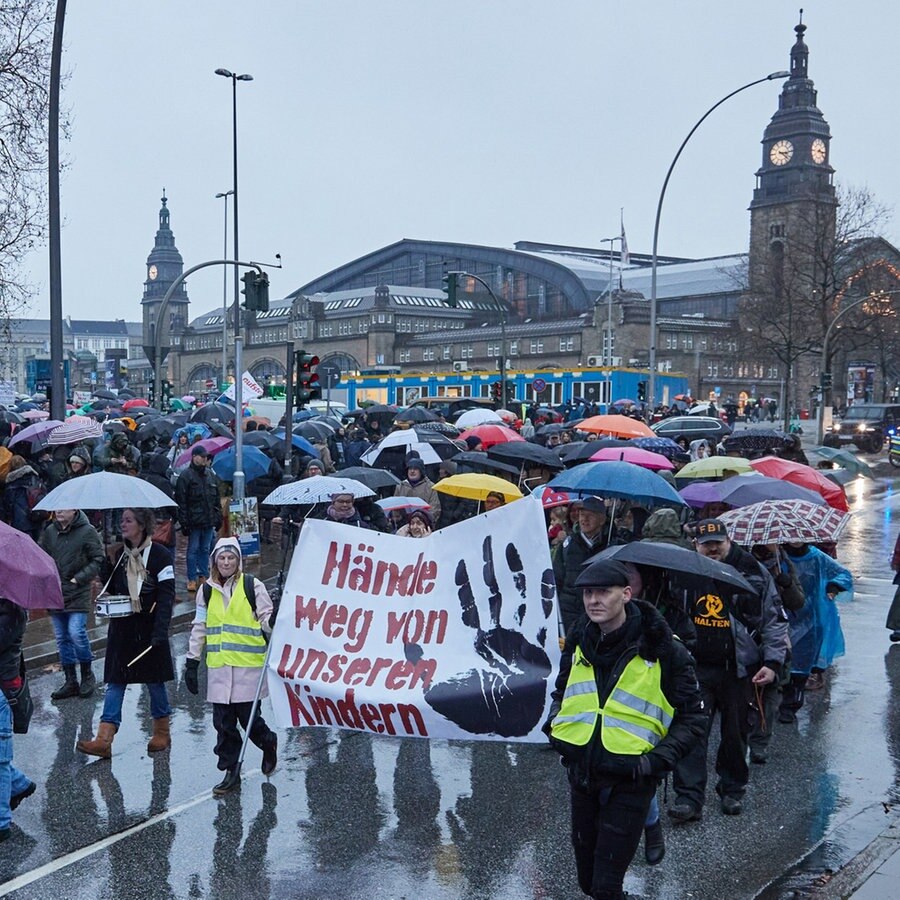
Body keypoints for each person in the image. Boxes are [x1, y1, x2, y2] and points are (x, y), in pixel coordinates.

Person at [544, 559, 704, 899]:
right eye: (588, 593)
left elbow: (693, 718)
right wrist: (556, 729)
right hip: (584, 772)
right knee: (587, 882)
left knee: (605, 886)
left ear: (627, 594)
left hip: (632, 778)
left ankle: (648, 825)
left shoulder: (664, 649)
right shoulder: (579, 640)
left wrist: (655, 763)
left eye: (604, 592)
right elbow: (563, 691)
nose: (594, 601)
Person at [668, 519, 788, 821]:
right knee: (692, 733)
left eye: (717, 543)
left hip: (739, 669)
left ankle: (732, 789)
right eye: (705, 544)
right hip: (695, 667)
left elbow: (774, 620)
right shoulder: (684, 571)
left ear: (728, 541)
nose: (712, 549)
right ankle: (689, 798)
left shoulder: (753, 572)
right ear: (695, 544)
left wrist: (772, 664)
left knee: (736, 734)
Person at [76, 507, 176, 759]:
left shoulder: (161, 555)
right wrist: (106, 562)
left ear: (141, 525)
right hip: (123, 629)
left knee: (154, 681)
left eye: (128, 520)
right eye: (121, 520)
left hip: (149, 627)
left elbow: (166, 596)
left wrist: (160, 631)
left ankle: (162, 731)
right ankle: (104, 739)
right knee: (115, 680)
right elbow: (114, 586)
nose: (123, 524)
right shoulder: (120, 554)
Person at [184, 537, 278, 795]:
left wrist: (276, 614)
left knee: (249, 720)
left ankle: (268, 741)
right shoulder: (206, 590)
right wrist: (191, 661)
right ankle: (231, 771)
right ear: (215, 560)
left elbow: (267, 622)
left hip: (248, 669)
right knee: (224, 724)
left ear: (238, 561)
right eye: (222, 558)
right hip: (219, 669)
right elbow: (199, 626)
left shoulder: (252, 585)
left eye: (231, 558)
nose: (226, 562)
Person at [40, 509, 105, 700]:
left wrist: (80, 578)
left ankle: (87, 674)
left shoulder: (87, 531)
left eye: (64, 507)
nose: (59, 511)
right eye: (57, 507)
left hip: (78, 592)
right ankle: (70, 680)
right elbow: (43, 557)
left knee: (76, 632)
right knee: (61, 638)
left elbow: (97, 559)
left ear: (75, 510)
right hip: (56, 592)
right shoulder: (50, 531)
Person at [779, 541, 853, 706]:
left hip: (813, 614)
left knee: (806, 657)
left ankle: (793, 701)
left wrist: (833, 586)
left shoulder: (817, 557)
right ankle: (786, 687)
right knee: (784, 654)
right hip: (786, 613)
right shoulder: (778, 557)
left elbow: (843, 574)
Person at [552, 496, 617, 634]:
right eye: (582, 515)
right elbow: (556, 580)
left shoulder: (612, 545)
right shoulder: (567, 545)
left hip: (599, 612)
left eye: (590, 516)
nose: (584, 519)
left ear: (602, 520)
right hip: (569, 614)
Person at [1, 596, 35, 842]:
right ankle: (19, 784)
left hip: (2, 690)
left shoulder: (13, 610)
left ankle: (1, 823)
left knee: (0, 759)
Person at [175, 446, 223, 592]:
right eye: (202, 457)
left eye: (206, 457)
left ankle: (203, 575)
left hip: (208, 519)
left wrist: (218, 516)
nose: (205, 459)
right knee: (193, 550)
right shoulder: (186, 476)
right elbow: (181, 501)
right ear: (194, 457)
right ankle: (191, 578)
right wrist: (184, 522)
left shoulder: (210, 475)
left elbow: (216, 499)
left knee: (205, 548)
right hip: (194, 520)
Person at [2, 455, 46, 541]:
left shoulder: (11, 483)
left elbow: (9, 504)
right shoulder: (35, 477)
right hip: (37, 515)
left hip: (20, 520)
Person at [394, 456, 441, 523]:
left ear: (421, 471)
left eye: (415, 469)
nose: (412, 471)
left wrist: (422, 520)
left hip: (423, 524)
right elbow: (395, 507)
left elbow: (435, 509)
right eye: (410, 468)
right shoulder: (400, 486)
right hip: (403, 525)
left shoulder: (431, 487)